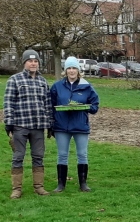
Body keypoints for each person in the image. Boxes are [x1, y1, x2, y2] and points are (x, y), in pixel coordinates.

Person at [4, 49, 53, 199]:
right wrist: (9, 123)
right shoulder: (14, 80)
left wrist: (50, 123)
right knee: (18, 157)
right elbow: (8, 103)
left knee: (38, 156)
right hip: (20, 126)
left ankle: (39, 186)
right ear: (24, 63)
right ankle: (16, 189)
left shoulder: (43, 81)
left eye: (36, 61)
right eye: (30, 61)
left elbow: (48, 104)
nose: (33, 63)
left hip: (38, 127)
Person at [49, 56, 100, 192]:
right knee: (62, 155)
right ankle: (61, 184)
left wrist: (85, 107)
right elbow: (51, 106)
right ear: (65, 71)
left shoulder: (87, 86)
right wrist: (51, 124)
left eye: (74, 68)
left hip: (80, 126)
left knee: (82, 154)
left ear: (78, 70)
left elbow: (95, 106)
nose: (71, 71)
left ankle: (83, 183)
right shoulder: (57, 86)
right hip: (61, 126)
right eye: (69, 68)